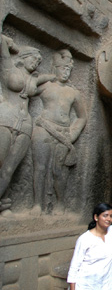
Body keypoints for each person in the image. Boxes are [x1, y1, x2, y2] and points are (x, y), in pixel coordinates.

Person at [0, 35, 54, 214]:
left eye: (39, 61)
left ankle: (3, 206)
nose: (36, 63)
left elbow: (46, 78)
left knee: (9, 168)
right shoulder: (9, 68)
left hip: (25, 124)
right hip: (5, 118)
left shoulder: (32, 79)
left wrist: (56, 75)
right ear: (23, 58)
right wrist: (13, 47)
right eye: (34, 59)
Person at [31, 49, 87, 215]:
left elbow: (82, 117)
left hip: (63, 133)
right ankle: (37, 205)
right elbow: (28, 88)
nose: (66, 72)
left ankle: (60, 204)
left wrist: (72, 133)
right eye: (62, 68)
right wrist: (46, 77)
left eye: (68, 69)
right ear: (54, 67)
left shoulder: (73, 92)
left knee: (59, 171)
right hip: (43, 128)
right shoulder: (46, 86)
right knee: (39, 168)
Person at [67, 203, 112, 290]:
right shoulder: (85, 239)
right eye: (105, 216)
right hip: (84, 285)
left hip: (105, 285)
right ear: (96, 217)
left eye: (111, 216)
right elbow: (74, 267)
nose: (109, 219)